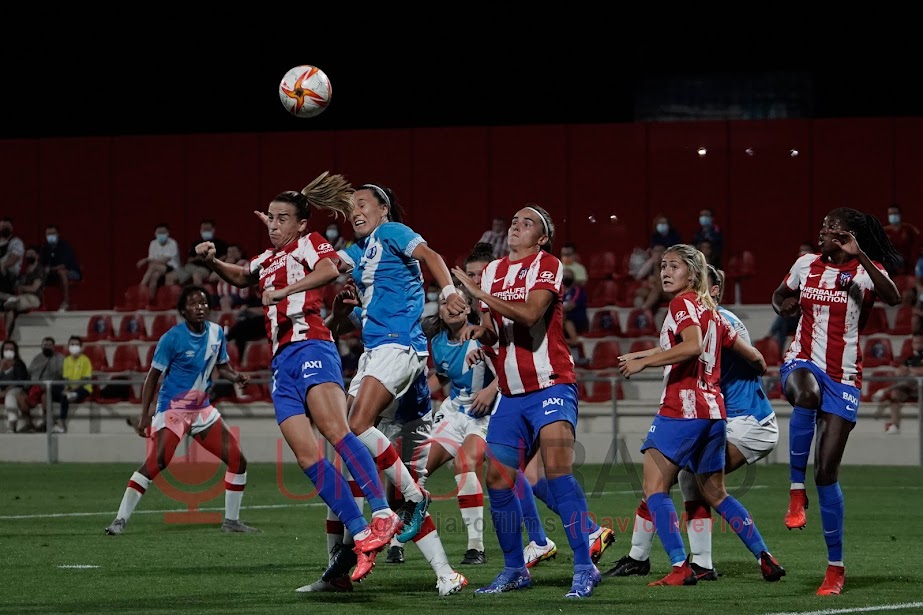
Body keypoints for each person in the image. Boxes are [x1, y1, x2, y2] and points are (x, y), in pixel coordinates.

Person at [197, 171, 405, 585]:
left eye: (281, 218)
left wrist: (286, 290)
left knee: (337, 432)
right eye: (270, 218)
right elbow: (242, 275)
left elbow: (330, 270)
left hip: (312, 347)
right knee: (307, 457)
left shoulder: (310, 244)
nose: (273, 225)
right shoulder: (266, 259)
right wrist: (211, 261)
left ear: (301, 223)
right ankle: (361, 532)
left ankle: (382, 512)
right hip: (282, 364)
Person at [451, 204, 600, 599]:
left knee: (557, 471)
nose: (517, 226)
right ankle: (515, 568)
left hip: (551, 385)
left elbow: (532, 315)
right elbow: (493, 330)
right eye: (514, 221)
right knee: (498, 478)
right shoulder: (494, 270)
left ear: (543, 237)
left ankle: (585, 567)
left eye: (527, 222)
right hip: (512, 395)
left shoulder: (547, 263)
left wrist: (478, 292)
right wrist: (472, 332)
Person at [613, 244, 784, 587]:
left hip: (683, 408)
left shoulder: (681, 304)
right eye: (662, 265)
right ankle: (765, 556)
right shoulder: (715, 314)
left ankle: (679, 566)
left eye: (673, 266)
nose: (664, 272)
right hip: (715, 413)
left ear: (692, 274)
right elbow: (756, 358)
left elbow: (691, 346)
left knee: (654, 488)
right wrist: (643, 353)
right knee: (715, 492)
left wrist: (645, 362)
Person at [302, 283, 468, 596]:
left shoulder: (404, 327)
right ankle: (335, 572)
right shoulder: (367, 321)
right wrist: (337, 316)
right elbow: (329, 334)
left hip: (409, 422)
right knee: (347, 484)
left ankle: (446, 573)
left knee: (401, 500)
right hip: (374, 419)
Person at [773, 207, 901, 596]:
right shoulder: (805, 264)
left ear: (850, 236)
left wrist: (859, 253)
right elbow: (780, 295)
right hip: (801, 360)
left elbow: (893, 298)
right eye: (824, 226)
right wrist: (785, 306)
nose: (824, 231)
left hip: (843, 375)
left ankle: (835, 569)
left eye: (834, 229)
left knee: (827, 474)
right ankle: (796, 493)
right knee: (805, 395)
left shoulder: (864, 271)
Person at [105, 286, 259, 536]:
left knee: (237, 460)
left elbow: (222, 366)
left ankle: (231, 522)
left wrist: (236, 377)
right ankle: (120, 519)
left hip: (201, 409)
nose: (200, 307)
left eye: (203, 303)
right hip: (173, 408)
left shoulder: (217, 333)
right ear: (182, 310)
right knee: (159, 461)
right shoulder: (172, 338)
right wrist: (145, 415)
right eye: (193, 304)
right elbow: (152, 377)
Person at [872, 333, 923, 434]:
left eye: (920, 342)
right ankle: (895, 425)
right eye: (915, 342)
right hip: (909, 387)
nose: (917, 345)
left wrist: (911, 371)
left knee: (912, 379)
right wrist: (906, 371)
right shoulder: (911, 358)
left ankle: (884, 391)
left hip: (920, 387)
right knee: (895, 394)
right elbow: (899, 372)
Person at [24, 337, 65, 433]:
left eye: (50, 345)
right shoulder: (37, 358)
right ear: (41, 346)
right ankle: (29, 424)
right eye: (45, 345)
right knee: (20, 396)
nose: (47, 347)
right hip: (35, 387)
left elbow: (61, 375)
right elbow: (29, 373)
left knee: (45, 395)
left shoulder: (60, 358)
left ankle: (47, 423)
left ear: (54, 347)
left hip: (52, 388)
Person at [2, 246, 43, 335]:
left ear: (37, 256)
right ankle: (5, 334)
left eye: (31, 254)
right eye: (27, 254)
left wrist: (21, 288)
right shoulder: (24, 270)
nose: (29, 256)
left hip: (34, 298)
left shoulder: (39, 269)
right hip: (22, 297)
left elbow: (34, 288)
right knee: (10, 310)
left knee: (10, 303)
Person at [39, 224, 81, 311]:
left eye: (53, 234)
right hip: (52, 273)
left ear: (58, 234)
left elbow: (63, 265)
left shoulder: (64, 246)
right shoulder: (45, 248)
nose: (50, 236)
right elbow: (42, 264)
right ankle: (40, 303)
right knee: (39, 274)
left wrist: (50, 269)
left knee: (61, 272)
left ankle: (66, 302)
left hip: (71, 272)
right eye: (48, 234)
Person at [137, 223, 182, 304]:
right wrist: (149, 260)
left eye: (163, 232)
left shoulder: (172, 243)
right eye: (159, 233)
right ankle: (151, 300)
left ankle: (141, 286)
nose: (161, 235)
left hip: (172, 268)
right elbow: (152, 260)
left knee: (153, 266)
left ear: (168, 233)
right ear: (155, 234)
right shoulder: (153, 243)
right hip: (159, 269)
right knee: (154, 276)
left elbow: (165, 260)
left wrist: (145, 260)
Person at [57, 336, 93, 433]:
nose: (74, 346)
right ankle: (61, 424)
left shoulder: (85, 360)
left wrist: (72, 390)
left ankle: (61, 422)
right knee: (60, 393)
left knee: (68, 395)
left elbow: (85, 379)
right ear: (68, 346)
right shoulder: (66, 360)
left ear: (81, 347)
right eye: (72, 344)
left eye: (76, 344)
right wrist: (66, 388)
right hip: (71, 388)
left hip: (84, 388)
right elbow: (66, 378)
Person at [179, 219, 228, 286]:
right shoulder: (196, 243)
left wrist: (210, 259)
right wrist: (198, 258)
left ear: (213, 230)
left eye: (208, 229)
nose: (205, 231)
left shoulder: (220, 244)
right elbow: (190, 259)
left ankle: (198, 295)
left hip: (206, 268)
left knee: (196, 275)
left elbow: (225, 256)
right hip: (191, 267)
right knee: (170, 276)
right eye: (203, 229)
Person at [882, 203, 920, 275]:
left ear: (900, 214)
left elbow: (918, 244)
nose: (892, 216)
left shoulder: (909, 229)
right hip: (890, 262)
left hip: (905, 261)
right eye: (890, 214)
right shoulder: (884, 231)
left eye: (895, 213)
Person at [1, 340, 30, 432]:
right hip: (2, 390)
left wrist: (5, 392)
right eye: (6, 349)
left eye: (11, 349)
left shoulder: (19, 364)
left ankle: (12, 423)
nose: (8, 351)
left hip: (16, 389)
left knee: (10, 395)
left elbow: (19, 381)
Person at [0, 216, 24, 296]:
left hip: (10, 276)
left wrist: (2, 265)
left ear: (11, 229)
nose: (4, 228)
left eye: (7, 226)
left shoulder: (16, 242)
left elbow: (12, 260)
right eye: (3, 226)